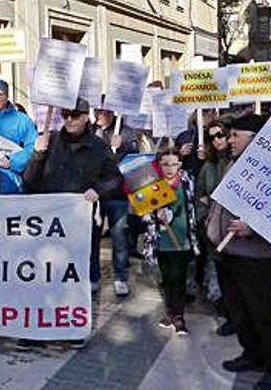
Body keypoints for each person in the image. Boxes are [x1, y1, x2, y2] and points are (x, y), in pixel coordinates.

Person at [22, 97, 122, 350]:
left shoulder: (99, 147)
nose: (69, 119)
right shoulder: (50, 141)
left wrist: (98, 190)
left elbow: (115, 179)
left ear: (85, 117)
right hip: (48, 222)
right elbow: (29, 182)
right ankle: (38, 328)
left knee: (75, 276)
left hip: (81, 222)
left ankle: (72, 327)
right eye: (66, 114)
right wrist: (37, 154)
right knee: (43, 274)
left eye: (75, 115)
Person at [207, 114, 271, 390]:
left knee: (266, 315)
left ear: (254, 139)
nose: (229, 141)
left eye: (235, 136)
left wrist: (253, 226)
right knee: (241, 312)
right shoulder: (234, 162)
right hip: (230, 253)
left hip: (259, 260)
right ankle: (253, 354)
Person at [144, 148, 196, 336]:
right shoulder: (153, 184)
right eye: (165, 164)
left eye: (173, 163)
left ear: (180, 164)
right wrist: (153, 215)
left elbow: (194, 205)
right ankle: (170, 312)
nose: (169, 168)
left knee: (179, 278)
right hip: (161, 240)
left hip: (182, 239)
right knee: (167, 278)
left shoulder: (187, 181)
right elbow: (143, 213)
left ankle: (179, 316)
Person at [93, 101, 140, 296]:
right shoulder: (90, 131)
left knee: (119, 238)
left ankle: (121, 277)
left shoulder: (125, 132)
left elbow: (134, 159)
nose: (101, 114)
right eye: (98, 110)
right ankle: (93, 277)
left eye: (105, 110)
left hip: (117, 195)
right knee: (93, 238)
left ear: (113, 112)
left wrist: (123, 146)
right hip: (94, 194)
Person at [195, 120, 233, 336]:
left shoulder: (239, 162)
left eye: (220, 134)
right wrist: (205, 220)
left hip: (237, 231)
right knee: (220, 273)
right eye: (212, 137)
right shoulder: (208, 167)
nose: (217, 139)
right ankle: (227, 311)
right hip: (214, 229)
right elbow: (200, 196)